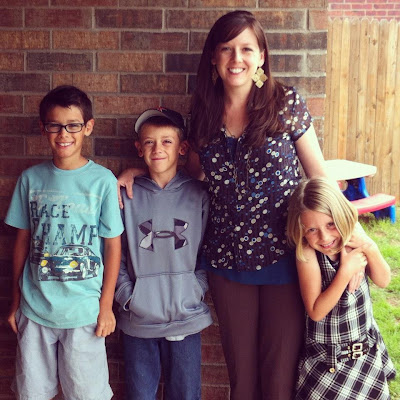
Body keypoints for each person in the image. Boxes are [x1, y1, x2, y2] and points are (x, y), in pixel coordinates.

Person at [117, 10, 362, 399]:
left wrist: (356, 240)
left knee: (279, 377)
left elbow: (318, 177)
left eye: (247, 49)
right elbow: (192, 176)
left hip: (288, 257)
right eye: (227, 49)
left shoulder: (285, 104)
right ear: (214, 58)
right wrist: (141, 174)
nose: (237, 58)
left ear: (261, 56)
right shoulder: (204, 115)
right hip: (228, 262)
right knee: (242, 380)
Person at [5, 85, 124, 400]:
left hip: (84, 312)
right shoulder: (30, 179)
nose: (63, 134)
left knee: (86, 394)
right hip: (35, 309)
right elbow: (21, 242)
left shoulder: (103, 181)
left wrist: (106, 306)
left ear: (88, 127)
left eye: (72, 125)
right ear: (43, 128)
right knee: (32, 393)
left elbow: (113, 246)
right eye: (55, 125)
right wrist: (15, 301)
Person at [115, 107, 212, 400]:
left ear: (183, 147)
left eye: (167, 141)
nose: (157, 148)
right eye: (149, 142)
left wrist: (195, 289)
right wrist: (128, 296)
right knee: (139, 395)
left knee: (185, 394)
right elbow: (114, 251)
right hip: (139, 319)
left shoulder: (200, 194)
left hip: (185, 314)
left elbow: (209, 249)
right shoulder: (124, 194)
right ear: (139, 148)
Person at [286, 177, 396, 399]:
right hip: (328, 362)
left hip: (365, 353)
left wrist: (369, 247)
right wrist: (345, 272)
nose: (324, 237)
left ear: (341, 217)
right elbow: (316, 311)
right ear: (301, 230)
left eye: (330, 224)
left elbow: (384, 280)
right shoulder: (307, 253)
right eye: (312, 229)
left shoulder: (354, 239)